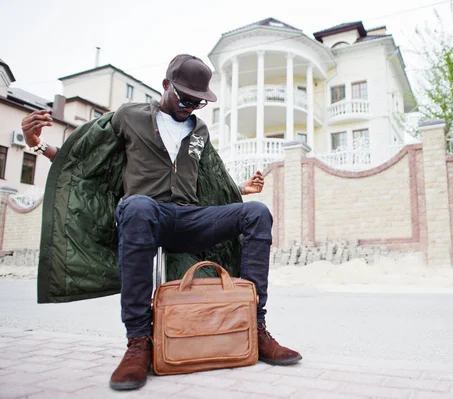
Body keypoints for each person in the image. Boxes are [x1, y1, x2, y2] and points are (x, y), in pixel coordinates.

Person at [22, 54, 301, 391]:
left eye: (197, 102)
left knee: (257, 212)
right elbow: (84, 158)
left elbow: (212, 181)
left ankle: (255, 327)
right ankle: (138, 342)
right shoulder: (130, 116)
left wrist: (243, 189)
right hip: (145, 216)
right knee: (138, 206)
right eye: (184, 98)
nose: (189, 107)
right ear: (166, 85)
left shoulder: (199, 130)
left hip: (188, 217)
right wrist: (35, 144)